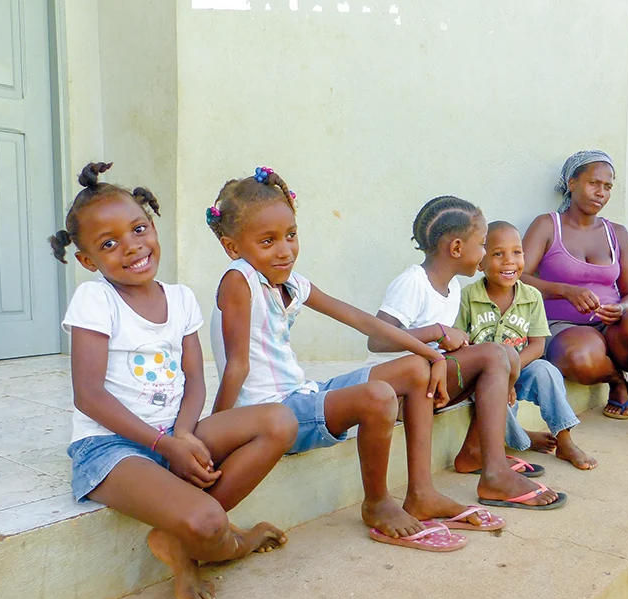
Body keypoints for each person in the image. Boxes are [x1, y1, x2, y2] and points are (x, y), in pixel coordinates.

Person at [209, 167, 500, 554]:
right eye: (268, 241)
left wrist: (431, 351)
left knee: (416, 368)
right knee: (378, 396)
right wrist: (216, 435)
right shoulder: (239, 280)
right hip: (270, 413)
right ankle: (377, 504)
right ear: (233, 247)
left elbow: (362, 320)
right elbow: (237, 366)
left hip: (300, 393)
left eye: (291, 235)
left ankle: (422, 493)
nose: (285, 250)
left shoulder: (291, 282)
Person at [50, 162, 298, 599]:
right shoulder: (95, 299)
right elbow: (88, 396)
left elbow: (195, 380)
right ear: (87, 261)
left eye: (139, 228)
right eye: (109, 244)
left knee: (280, 420)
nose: (132, 247)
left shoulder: (181, 298)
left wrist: (183, 434)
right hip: (112, 449)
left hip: (172, 433)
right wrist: (165, 445)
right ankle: (220, 542)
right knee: (207, 522)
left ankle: (177, 533)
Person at [369, 196, 566, 510]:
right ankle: (496, 473)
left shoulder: (454, 289)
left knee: (504, 357)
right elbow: (377, 341)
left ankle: (476, 453)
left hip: (433, 388)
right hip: (400, 395)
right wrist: (437, 334)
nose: (486, 252)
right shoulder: (413, 283)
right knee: (494, 355)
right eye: (484, 244)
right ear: (458, 248)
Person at [521, 150, 628, 422]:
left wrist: (622, 308)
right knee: (581, 357)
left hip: (613, 326)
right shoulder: (547, 225)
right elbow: (518, 277)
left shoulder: (616, 233)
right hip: (563, 326)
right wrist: (565, 290)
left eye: (607, 187)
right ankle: (617, 383)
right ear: (572, 183)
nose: (601, 193)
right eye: (594, 183)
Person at [456, 221, 597, 470]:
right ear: (480, 263)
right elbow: (460, 346)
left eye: (517, 252)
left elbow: (538, 345)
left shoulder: (530, 296)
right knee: (492, 392)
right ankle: (519, 439)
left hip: (520, 369)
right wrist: (499, 377)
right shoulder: (468, 296)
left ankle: (564, 441)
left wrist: (510, 373)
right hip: (483, 377)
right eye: (498, 254)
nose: (509, 261)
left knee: (546, 371)